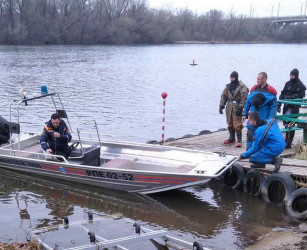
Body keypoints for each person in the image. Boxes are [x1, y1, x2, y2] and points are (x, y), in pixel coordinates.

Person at [242, 72, 277, 149]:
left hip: (263, 118)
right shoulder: (254, 89)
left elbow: (273, 107)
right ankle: (248, 151)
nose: (257, 81)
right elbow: (248, 102)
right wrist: (245, 114)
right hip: (252, 117)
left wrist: (270, 120)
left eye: (259, 79)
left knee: (262, 137)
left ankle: (260, 153)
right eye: (257, 79)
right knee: (250, 135)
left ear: (264, 79)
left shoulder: (271, 91)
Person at [277, 68, 306, 148]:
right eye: (290, 75)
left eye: (293, 75)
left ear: (296, 75)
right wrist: (279, 105)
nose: (291, 76)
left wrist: (289, 96)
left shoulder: (301, 85)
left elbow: (301, 96)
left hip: (295, 107)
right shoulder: (287, 83)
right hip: (286, 106)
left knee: (291, 124)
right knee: (286, 123)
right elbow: (282, 94)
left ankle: (289, 142)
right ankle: (286, 140)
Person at [219, 71, 249, 147]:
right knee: (229, 122)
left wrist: (240, 108)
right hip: (229, 106)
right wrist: (221, 106)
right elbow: (224, 96)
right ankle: (231, 138)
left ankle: (239, 140)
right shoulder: (228, 87)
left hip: (237, 106)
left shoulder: (242, 87)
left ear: (236, 77)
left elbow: (244, 99)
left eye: (233, 77)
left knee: (237, 123)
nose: (232, 79)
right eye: (231, 77)